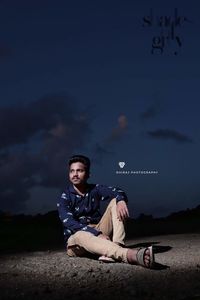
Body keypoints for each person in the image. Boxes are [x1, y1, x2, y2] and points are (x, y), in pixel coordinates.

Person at [57, 154, 155, 268]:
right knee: (80, 235)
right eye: (72, 171)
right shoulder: (65, 196)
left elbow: (116, 190)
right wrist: (96, 234)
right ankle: (129, 254)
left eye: (79, 171)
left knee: (115, 202)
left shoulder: (95, 189)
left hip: (99, 231)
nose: (75, 174)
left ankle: (117, 245)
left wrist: (121, 200)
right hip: (77, 241)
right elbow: (69, 222)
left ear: (88, 174)